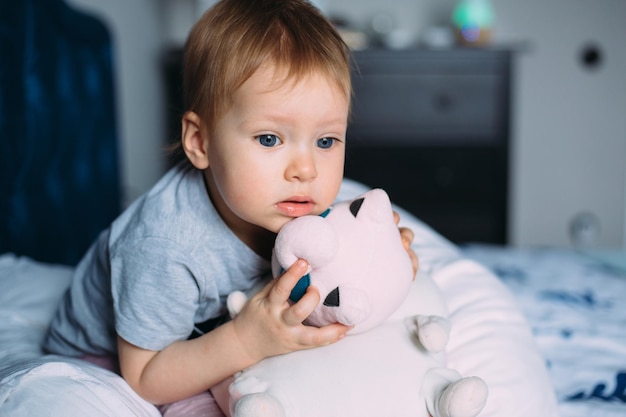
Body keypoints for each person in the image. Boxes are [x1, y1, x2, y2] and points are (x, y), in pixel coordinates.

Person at [43, 0, 418, 415]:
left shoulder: (293, 197)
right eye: (270, 139)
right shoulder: (164, 246)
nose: (306, 170)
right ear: (200, 142)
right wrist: (245, 341)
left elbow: (345, 251)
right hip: (124, 358)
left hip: (224, 331)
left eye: (326, 141)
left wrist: (375, 257)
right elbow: (146, 378)